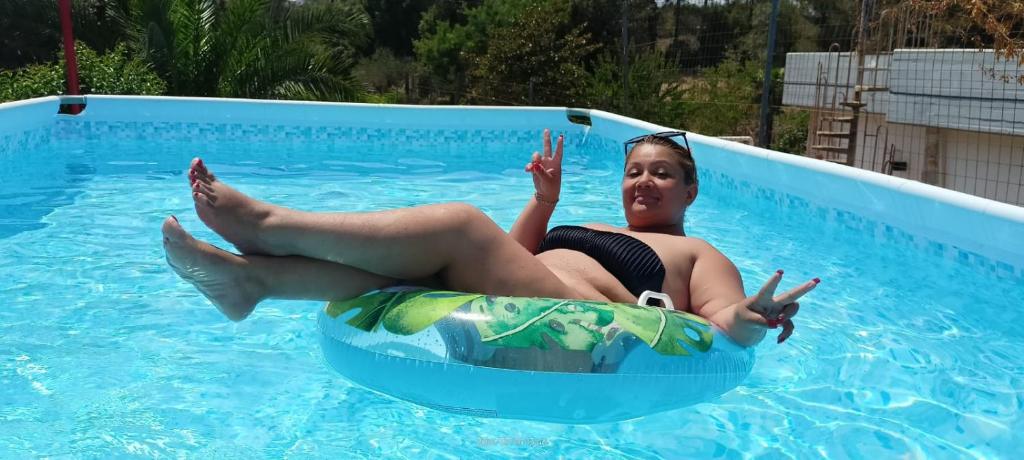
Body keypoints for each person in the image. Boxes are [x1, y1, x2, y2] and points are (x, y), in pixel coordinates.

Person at [162, 129, 817, 347]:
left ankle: (265, 225)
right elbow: (513, 255)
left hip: (593, 313)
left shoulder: (698, 253)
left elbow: (722, 320)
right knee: (411, 267)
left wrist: (754, 316)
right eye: (634, 172)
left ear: (690, 191)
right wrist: (544, 204)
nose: (643, 182)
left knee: (459, 225)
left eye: (662, 174)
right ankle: (253, 281)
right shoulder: (596, 224)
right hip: (533, 284)